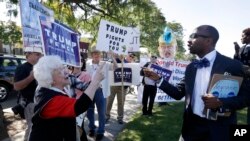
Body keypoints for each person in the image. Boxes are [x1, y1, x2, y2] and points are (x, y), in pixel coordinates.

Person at [144, 25, 250, 141]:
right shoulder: (190, 67)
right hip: (191, 129)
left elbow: (246, 97)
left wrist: (221, 102)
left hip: (219, 130)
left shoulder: (232, 65)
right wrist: (159, 79)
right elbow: (178, 93)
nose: (188, 41)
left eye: (193, 36)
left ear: (208, 40)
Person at [28, 55, 105, 141]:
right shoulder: (52, 99)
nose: (66, 72)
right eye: (60, 71)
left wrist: (95, 83)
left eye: (63, 68)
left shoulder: (48, 89)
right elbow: (81, 105)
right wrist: (95, 82)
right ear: (51, 79)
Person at [85, 49, 117, 140]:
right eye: (95, 54)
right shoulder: (87, 64)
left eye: (98, 54)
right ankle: (92, 128)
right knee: (89, 112)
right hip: (89, 90)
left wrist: (112, 57)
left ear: (101, 55)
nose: (97, 55)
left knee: (101, 113)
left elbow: (116, 67)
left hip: (101, 91)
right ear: (92, 55)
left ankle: (101, 131)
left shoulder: (105, 64)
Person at [13, 47, 43, 141]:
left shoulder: (39, 67)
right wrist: (31, 77)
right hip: (30, 104)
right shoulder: (22, 68)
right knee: (32, 128)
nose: (40, 56)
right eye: (37, 54)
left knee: (39, 128)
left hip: (40, 102)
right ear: (28, 54)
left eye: (40, 54)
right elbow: (16, 86)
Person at [106, 52, 135, 124]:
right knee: (109, 101)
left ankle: (120, 118)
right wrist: (114, 56)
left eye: (132, 57)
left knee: (121, 103)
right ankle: (106, 116)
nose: (131, 57)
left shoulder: (132, 66)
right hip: (113, 85)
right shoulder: (119, 60)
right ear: (127, 55)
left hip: (123, 88)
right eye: (130, 55)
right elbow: (114, 62)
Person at [157, 27, 178, 106]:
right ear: (159, 49)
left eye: (169, 46)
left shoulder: (180, 66)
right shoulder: (155, 63)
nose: (166, 50)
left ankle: (166, 101)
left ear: (176, 48)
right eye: (163, 47)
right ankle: (161, 102)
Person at [234, 27, 250, 124]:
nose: (241, 38)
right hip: (243, 81)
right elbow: (237, 62)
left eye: (243, 36)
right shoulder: (242, 48)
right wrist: (236, 51)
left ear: (248, 36)